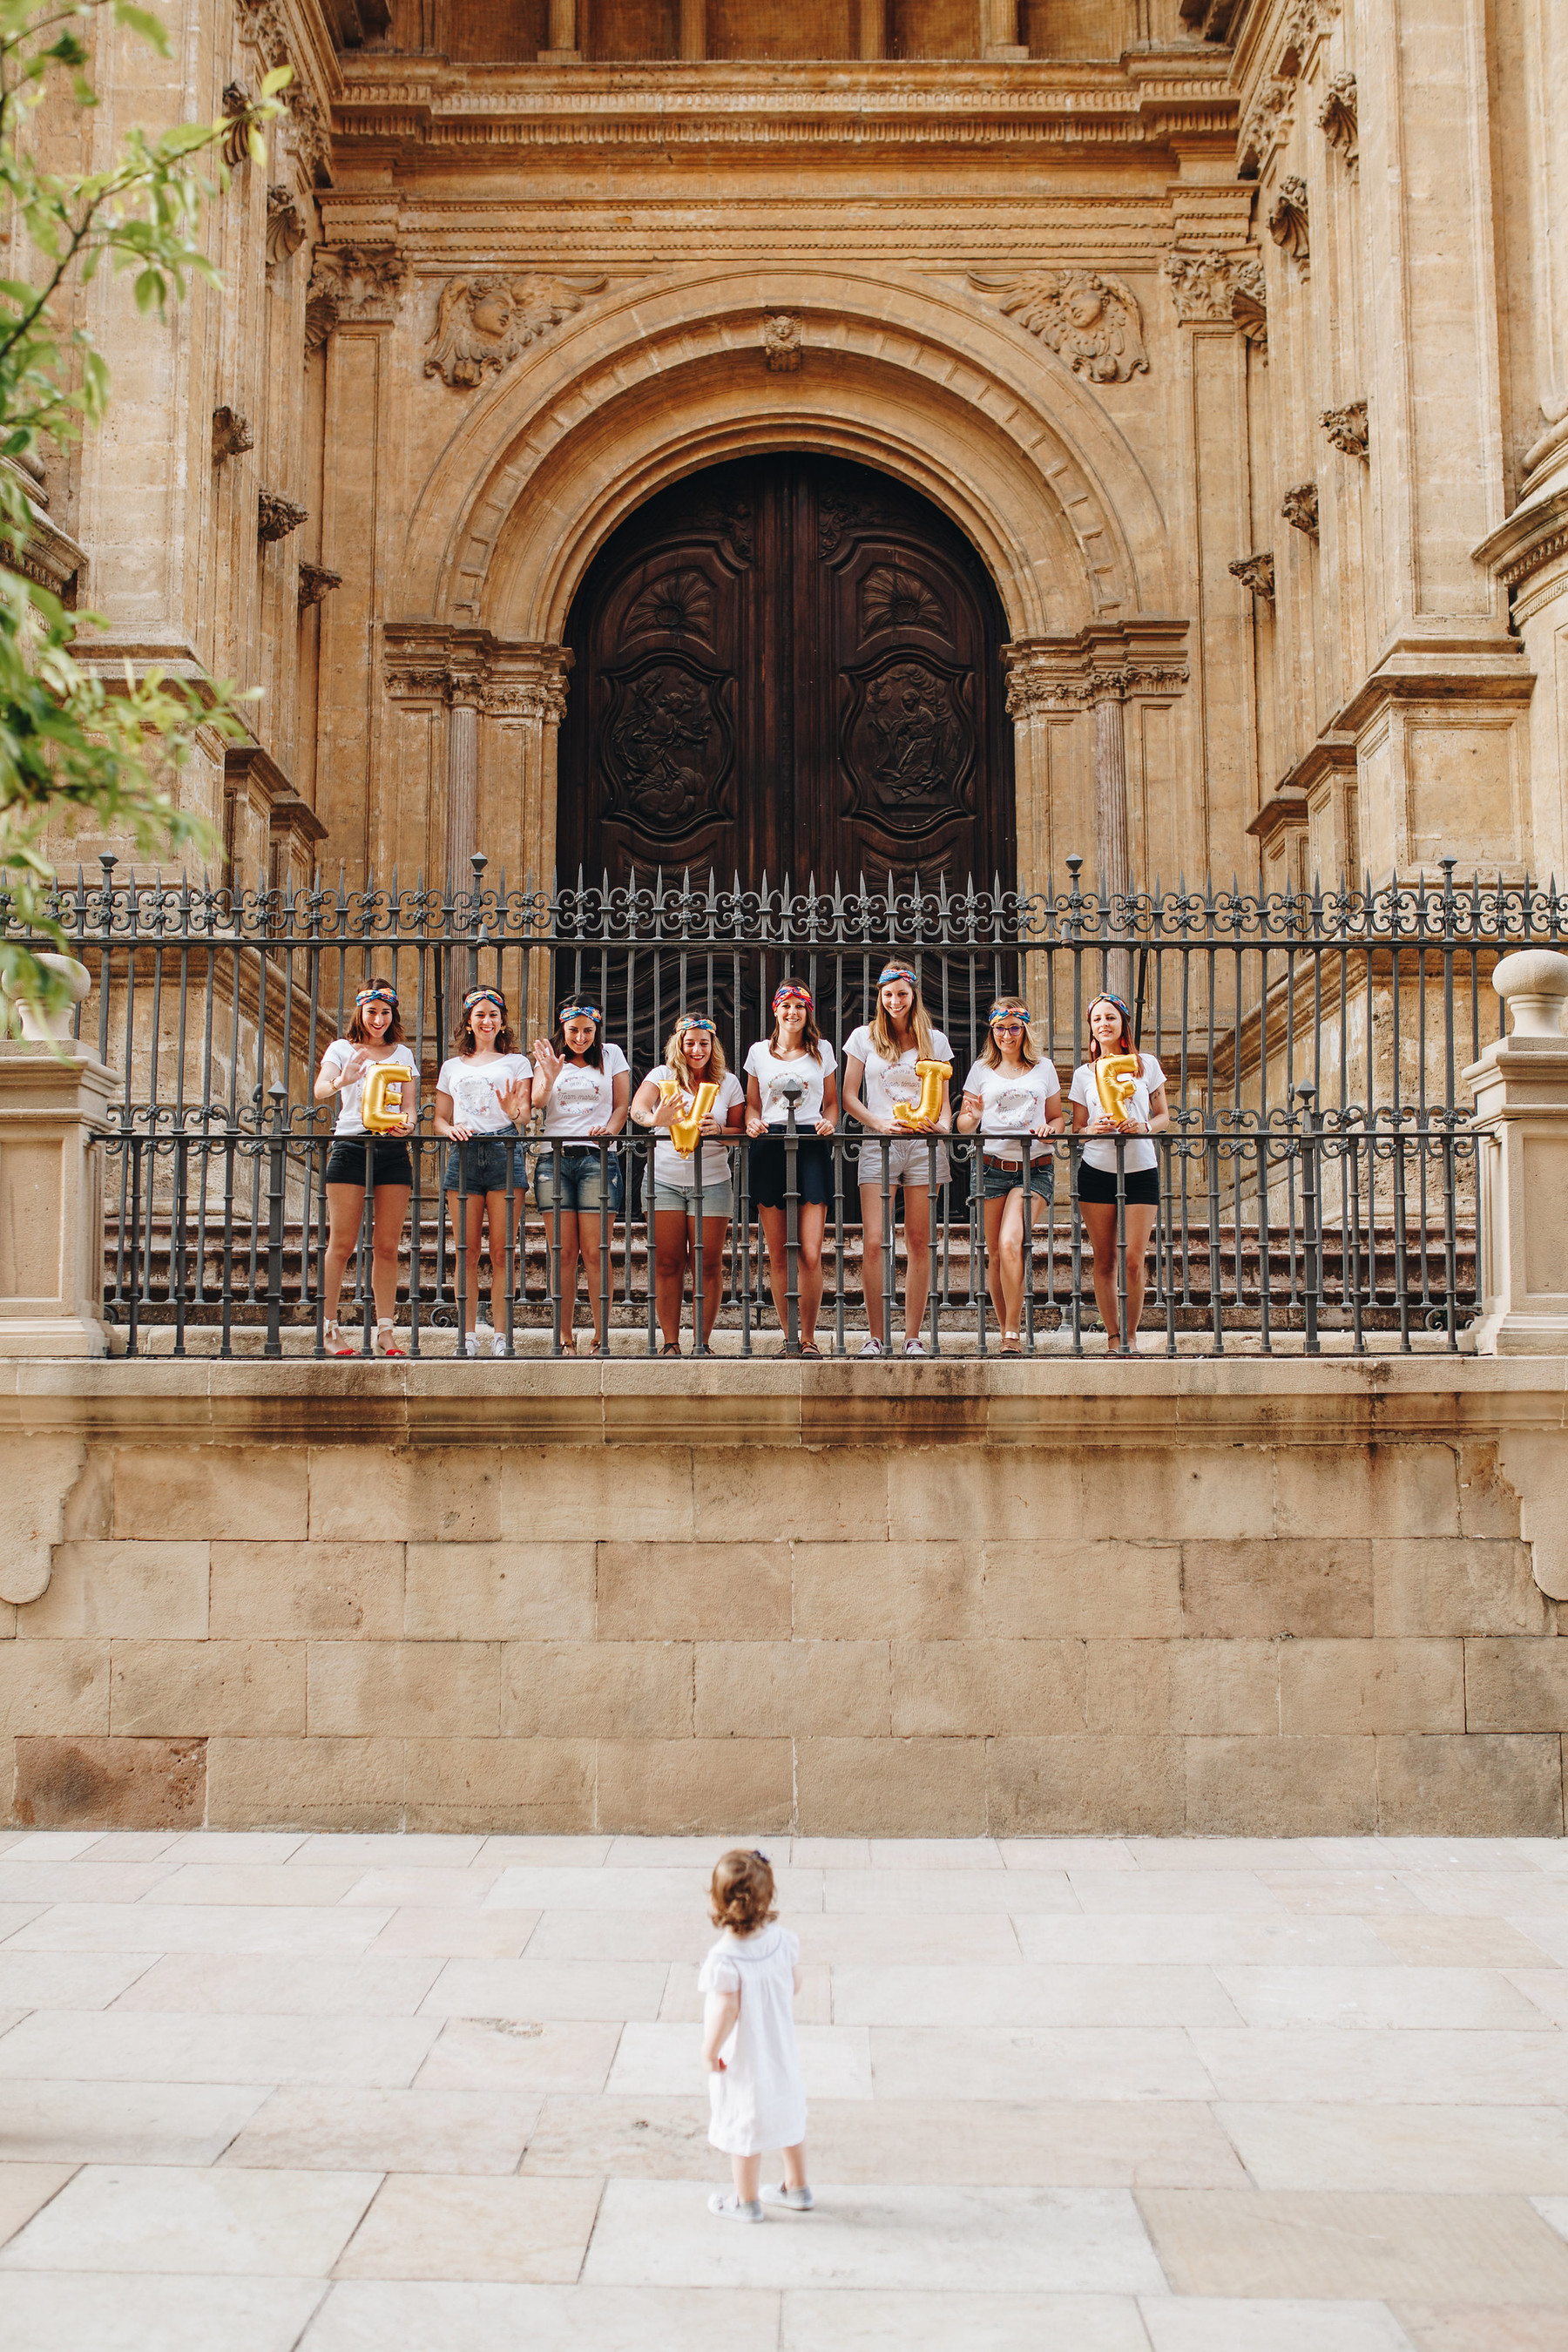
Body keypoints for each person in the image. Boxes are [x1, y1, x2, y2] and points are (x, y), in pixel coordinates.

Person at [842, 959, 952, 1359]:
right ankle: (875, 1336)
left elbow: (944, 1106)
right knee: (875, 1241)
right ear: (879, 996)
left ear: (914, 994)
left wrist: (941, 1127)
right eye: (887, 995)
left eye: (901, 993)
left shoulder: (935, 1042)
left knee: (920, 1242)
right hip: (879, 1143)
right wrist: (878, 1123)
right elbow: (849, 1096)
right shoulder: (863, 1038)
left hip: (923, 1145)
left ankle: (912, 1337)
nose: (894, 1001)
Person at [700, 1848, 810, 2223]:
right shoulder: (782, 1942)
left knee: (745, 2119)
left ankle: (746, 2201)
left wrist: (709, 2051)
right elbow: (794, 1984)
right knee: (788, 2111)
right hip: (780, 2051)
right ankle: (797, 2186)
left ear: (718, 1901)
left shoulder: (725, 1958)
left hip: (744, 2058)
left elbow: (727, 2011)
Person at [312, 981, 420, 1358]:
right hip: (350, 1146)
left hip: (391, 1149)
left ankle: (385, 1333)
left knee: (388, 1246)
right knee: (341, 1244)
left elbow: (410, 1107)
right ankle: (328, 1330)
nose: (378, 1019)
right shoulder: (342, 1049)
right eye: (372, 1011)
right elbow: (320, 1090)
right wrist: (347, 1078)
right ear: (360, 1012)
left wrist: (408, 1123)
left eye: (385, 1012)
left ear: (393, 1015)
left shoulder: (403, 1053)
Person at [630, 1013, 746, 1355]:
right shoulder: (662, 1076)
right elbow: (637, 1110)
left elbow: (740, 1134)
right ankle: (670, 1342)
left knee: (708, 1264)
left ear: (713, 1046)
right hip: (663, 1180)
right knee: (667, 1263)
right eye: (690, 1042)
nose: (697, 1049)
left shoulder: (728, 1082)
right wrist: (655, 1119)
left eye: (703, 1043)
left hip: (712, 1181)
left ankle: (702, 1343)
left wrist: (721, 1131)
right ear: (678, 1045)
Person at [956, 996, 1063, 1355]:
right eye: (1000, 1027)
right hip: (990, 1169)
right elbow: (963, 1124)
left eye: (1014, 1027)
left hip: (1035, 1170)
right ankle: (1005, 1333)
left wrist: (1051, 1129)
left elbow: (1058, 1117)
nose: (1006, 1034)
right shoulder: (981, 1069)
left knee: (1009, 1243)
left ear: (1024, 1029)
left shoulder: (1044, 1068)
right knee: (997, 1255)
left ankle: (1014, 1333)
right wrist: (974, 1115)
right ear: (992, 1030)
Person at [432, 986, 532, 1356]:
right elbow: (439, 1119)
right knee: (467, 1252)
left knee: (503, 1251)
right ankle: (468, 1336)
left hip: (505, 1149)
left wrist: (510, 1110)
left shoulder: (518, 1063)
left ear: (502, 1020)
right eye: (480, 1015)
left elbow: (524, 1117)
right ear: (469, 1022)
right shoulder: (452, 1067)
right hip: (464, 1152)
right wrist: (450, 1129)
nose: (487, 1021)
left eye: (493, 1015)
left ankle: (502, 1337)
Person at [1069, 990, 1169, 1353]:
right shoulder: (1084, 1074)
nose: (1103, 1024)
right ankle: (1113, 1337)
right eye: (1097, 1020)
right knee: (1106, 1258)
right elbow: (1076, 1128)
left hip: (1141, 1168)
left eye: (1110, 1017)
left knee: (1133, 1259)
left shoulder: (1146, 1065)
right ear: (1091, 1030)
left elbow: (1164, 1117)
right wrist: (1091, 1130)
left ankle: (1130, 1336)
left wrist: (1143, 1127)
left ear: (1123, 1022)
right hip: (1097, 1168)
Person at [744, 982, 839, 1359]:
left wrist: (830, 1124)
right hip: (770, 1144)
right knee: (780, 1252)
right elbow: (753, 1106)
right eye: (786, 1006)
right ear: (775, 1010)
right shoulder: (757, 1053)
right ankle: (789, 1337)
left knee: (811, 1253)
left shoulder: (822, 1051)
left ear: (808, 1011)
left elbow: (831, 1103)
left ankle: (809, 1337)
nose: (792, 1013)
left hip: (811, 1145)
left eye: (800, 1006)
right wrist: (751, 1123)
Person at [531, 999, 630, 1356]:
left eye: (588, 1030)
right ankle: (564, 1336)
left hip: (597, 1158)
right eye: (574, 1030)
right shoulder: (550, 1057)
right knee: (562, 1252)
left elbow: (622, 1105)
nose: (581, 1037)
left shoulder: (611, 1054)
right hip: (553, 1160)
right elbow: (537, 1102)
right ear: (563, 1028)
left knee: (596, 1251)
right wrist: (550, 1076)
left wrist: (609, 1130)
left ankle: (601, 1337)